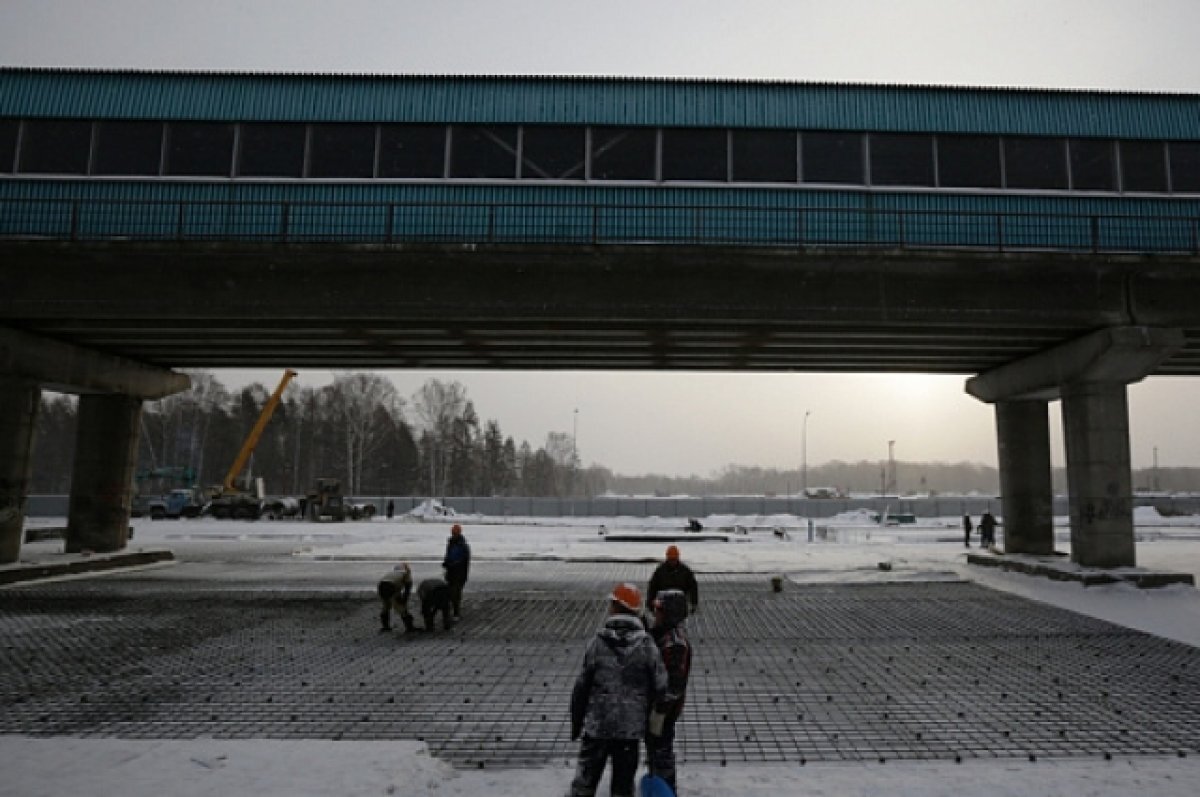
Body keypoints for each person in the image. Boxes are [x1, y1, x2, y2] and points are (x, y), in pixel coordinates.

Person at [569, 583, 667, 797]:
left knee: (584, 786)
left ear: (615, 607)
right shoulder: (647, 645)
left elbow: (581, 687)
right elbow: (661, 687)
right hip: (629, 732)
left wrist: (577, 722)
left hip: (597, 728)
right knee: (623, 789)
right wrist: (654, 729)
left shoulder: (597, 643)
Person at [645, 589, 692, 796]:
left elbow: (674, 685)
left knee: (661, 750)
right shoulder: (664, 632)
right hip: (659, 706)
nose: (656, 613)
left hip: (665, 710)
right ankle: (659, 783)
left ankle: (665, 789)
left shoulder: (675, 643)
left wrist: (659, 713)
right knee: (655, 749)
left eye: (659, 610)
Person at [647, 545, 699, 613]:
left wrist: (694, 603)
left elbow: (693, 587)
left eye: (674, 559)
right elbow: (652, 587)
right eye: (671, 559)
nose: (672, 562)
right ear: (667, 558)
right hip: (663, 603)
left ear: (677, 558)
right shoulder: (660, 571)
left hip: (679, 604)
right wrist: (650, 602)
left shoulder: (685, 571)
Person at [442, 523, 471, 619]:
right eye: (453, 533)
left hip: (459, 574)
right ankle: (451, 611)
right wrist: (446, 563)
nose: (453, 534)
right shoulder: (451, 544)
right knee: (451, 593)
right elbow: (448, 556)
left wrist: (451, 564)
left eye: (455, 533)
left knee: (456, 593)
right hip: (451, 573)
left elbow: (463, 561)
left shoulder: (463, 546)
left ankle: (456, 613)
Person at [377, 563, 414, 633]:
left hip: (381, 585)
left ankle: (385, 627)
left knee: (386, 606)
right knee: (400, 608)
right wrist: (403, 601)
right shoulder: (406, 574)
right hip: (391, 586)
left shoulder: (392, 573)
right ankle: (410, 627)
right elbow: (407, 590)